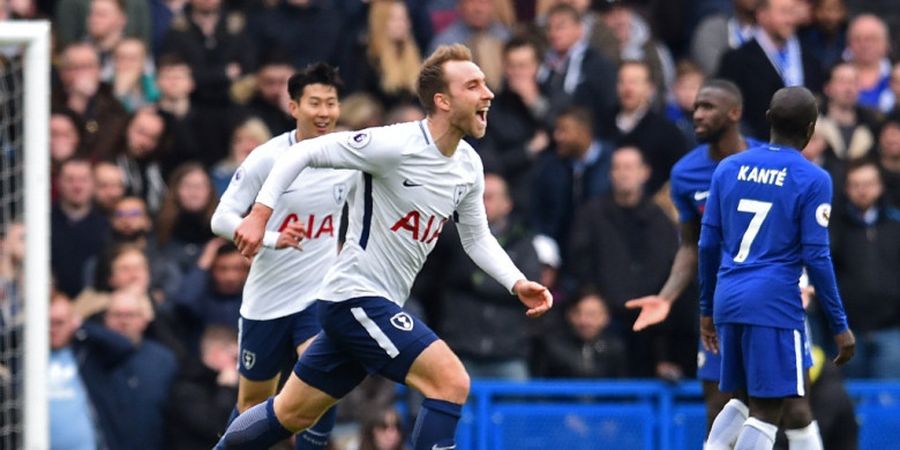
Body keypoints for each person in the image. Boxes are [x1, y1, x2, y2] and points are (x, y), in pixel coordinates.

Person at [216, 44, 552, 450]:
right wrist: (259, 215)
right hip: (356, 298)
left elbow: (476, 237)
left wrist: (516, 283)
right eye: (474, 85)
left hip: (372, 303)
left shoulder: (468, 164)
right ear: (443, 101)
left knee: (290, 415)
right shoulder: (393, 145)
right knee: (450, 381)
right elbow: (303, 152)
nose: (488, 93)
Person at [698, 86, 855, 450]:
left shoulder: (729, 167)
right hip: (773, 303)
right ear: (812, 129)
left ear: (768, 119)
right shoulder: (813, 178)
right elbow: (817, 257)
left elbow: (707, 245)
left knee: (738, 398)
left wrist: (707, 310)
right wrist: (839, 325)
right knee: (768, 408)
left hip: (728, 295)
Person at [210, 63, 354, 450]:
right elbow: (221, 219)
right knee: (252, 404)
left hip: (318, 296)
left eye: (331, 103)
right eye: (315, 103)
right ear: (294, 107)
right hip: (267, 301)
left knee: (323, 380)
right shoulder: (266, 157)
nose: (324, 112)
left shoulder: (351, 154)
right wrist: (271, 238)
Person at [625, 80, 759, 427]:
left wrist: (802, 281)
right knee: (718, 408)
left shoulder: (768, 162)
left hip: (771, 300)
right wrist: (666, 298)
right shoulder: (685, 173)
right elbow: (691, 244)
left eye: (708, 107)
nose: (697, 114)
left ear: (735, 113)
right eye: (696, 106)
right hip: (719, 307)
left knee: (783, 410)